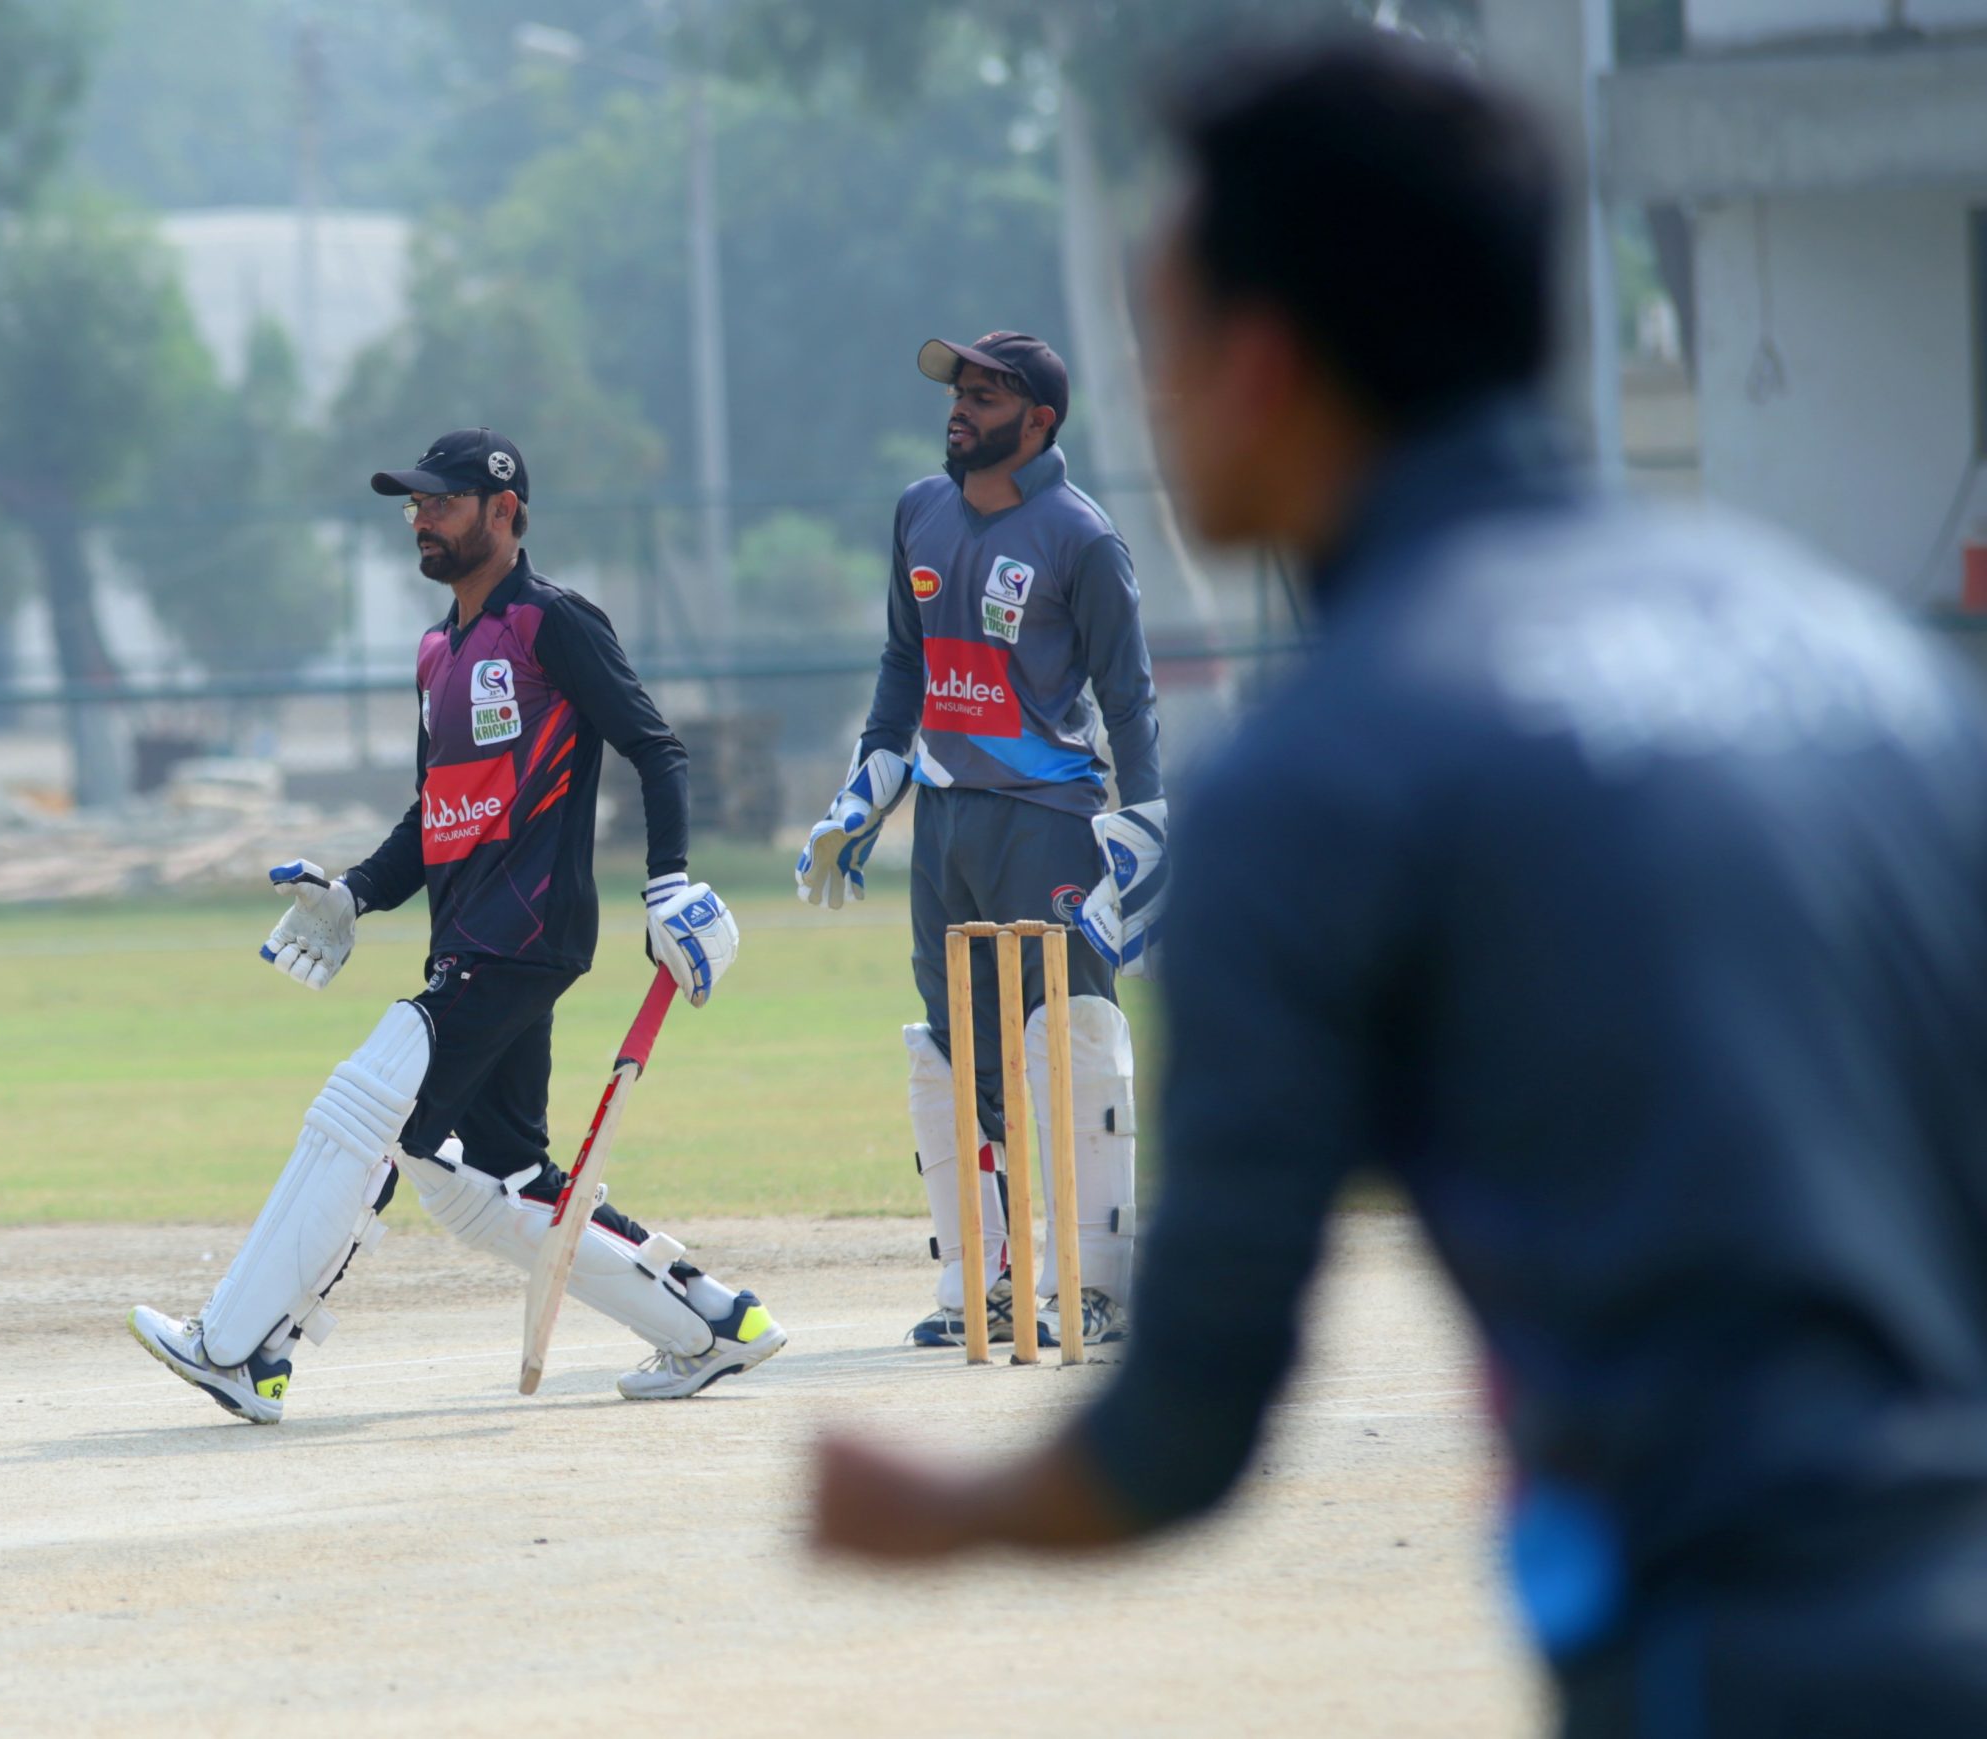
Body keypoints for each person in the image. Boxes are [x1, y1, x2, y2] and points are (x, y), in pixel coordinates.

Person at [810, 36, 1987, 1736]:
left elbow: (1188, 1423)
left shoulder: (1332, 767)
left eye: (1164, 345)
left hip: (1738, 1659)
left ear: (1262, 366)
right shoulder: (1874, 671)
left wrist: (942, 1510)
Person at [132, 428, 785, 1418]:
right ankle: (713, 1324)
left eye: (440, 502)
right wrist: (354, 893)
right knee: (490, 1179)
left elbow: (656, 747)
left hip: (526, 929)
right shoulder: (437, 650)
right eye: (415, 504)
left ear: (504, 510)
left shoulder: (550, 621)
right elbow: (432, 813)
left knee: (368, 1102)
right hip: (470, 935)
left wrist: (668, 883)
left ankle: (243, 1345)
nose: (420, 520)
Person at [794, 330, 1167, 1351]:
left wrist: (1145, 826)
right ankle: (983, 1282)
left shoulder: (1081, 537)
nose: (961, 407)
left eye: (987, 395)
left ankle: (1095, 1285)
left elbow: (1128, 697)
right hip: (946, 819)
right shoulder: (919, 509)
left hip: (1050, 820)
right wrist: (866, 786)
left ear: (1039, 420)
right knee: (951, 1047)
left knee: (1073, 1038)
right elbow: (902, 663)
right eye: (959, 390)